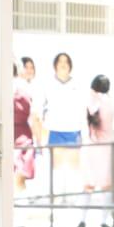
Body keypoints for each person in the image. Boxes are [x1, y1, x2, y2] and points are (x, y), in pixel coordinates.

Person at [40, 52, 85, 183]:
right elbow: (40, 109)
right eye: (60, 61)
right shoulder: (48, 84)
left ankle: (73, 199)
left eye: (66, 62)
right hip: (55, 131)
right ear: (55, 65)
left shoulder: (77, 84)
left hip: (74, 131)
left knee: (75, 170)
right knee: (57, 171)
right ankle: (57, 198)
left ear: (70, 66)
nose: (63, 64)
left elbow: (83, 109)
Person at [80, 74, 114, 227]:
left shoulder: (89, 102)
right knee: (106, 186)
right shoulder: (109, 103)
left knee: (88, 185)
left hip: (90, 147)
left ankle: (82, 219)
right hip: (107, 148)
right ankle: (104, 220)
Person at [12, 61, 41, 192]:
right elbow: (35, 118)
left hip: (8, 136)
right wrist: (39, 143)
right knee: (20, 179)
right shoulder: (27, 88)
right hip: (23, 137)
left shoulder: (0, 87)